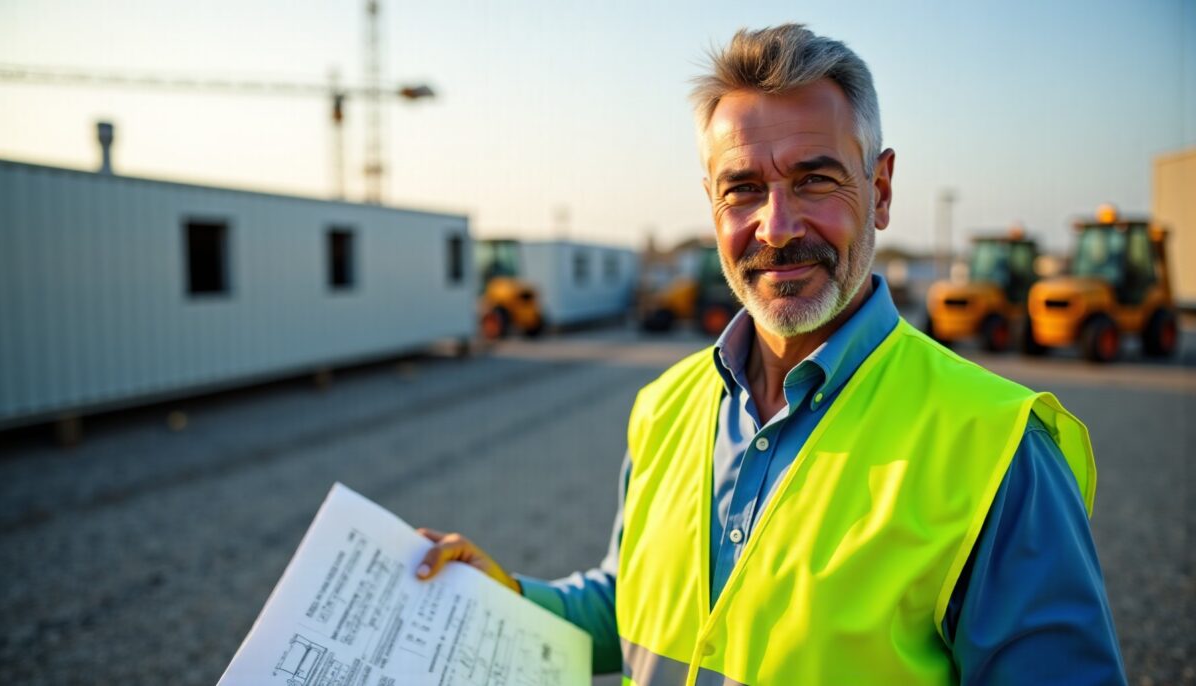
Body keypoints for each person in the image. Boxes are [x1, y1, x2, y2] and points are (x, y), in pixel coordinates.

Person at [416, 24, 1126, 685]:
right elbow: (633, 605)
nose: (777, 228)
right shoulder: (664, 406)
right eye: (744, 189)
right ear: (712, 205)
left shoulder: (997, 448)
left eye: (815, 180)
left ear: (879, 191)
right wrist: (504, 598)